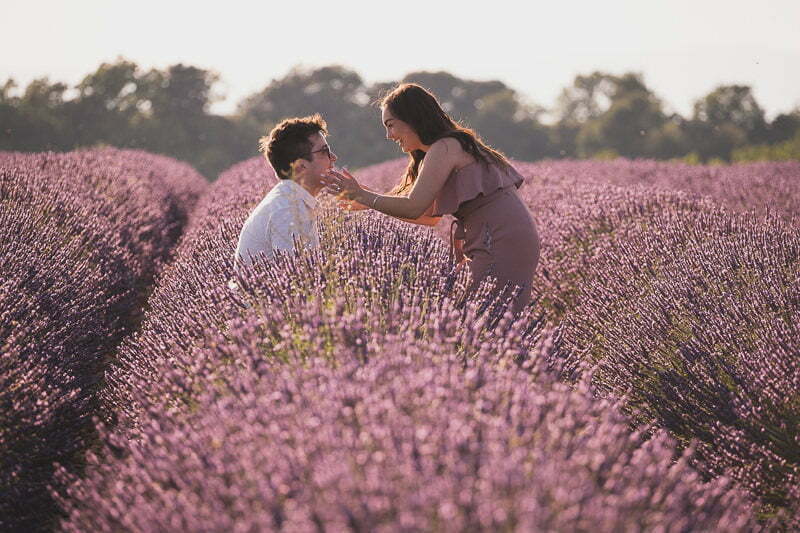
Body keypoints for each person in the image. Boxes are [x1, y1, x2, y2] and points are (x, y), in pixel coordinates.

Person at [322, 84, 540, 313]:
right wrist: (368, 201)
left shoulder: (446, 147)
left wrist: (363, 195)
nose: (389, 135)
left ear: (412, 118)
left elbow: (414, 207)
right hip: (501, 235)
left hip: (499, 238)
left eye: (391, 125)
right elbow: (428, 217)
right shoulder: (441, 149)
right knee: (484, 316)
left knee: (481, 317)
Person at [234, 114, 336, 269]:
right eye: (324, 151)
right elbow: (298, 278)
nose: (333, 157)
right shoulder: (287, 209)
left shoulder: (291, 200)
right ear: (300, 166)